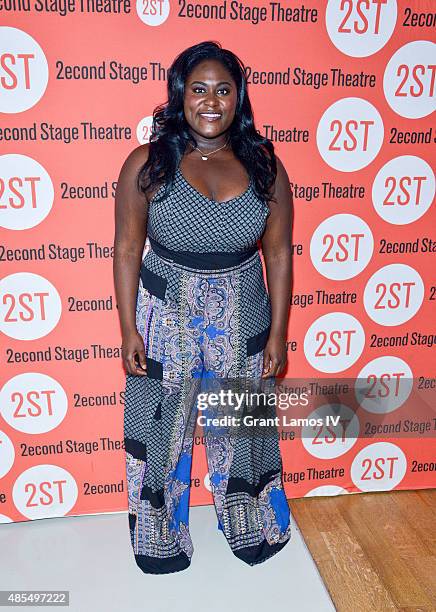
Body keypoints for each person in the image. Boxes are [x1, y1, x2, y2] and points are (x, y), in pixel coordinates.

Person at [113, 40, 294, 575]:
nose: (211, 101)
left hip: (243, 315)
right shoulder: (147, 164)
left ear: (239, 97)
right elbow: (126, 248)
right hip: (165, 315)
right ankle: (159, 540)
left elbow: (280, 252)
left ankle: (251, 527)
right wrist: (128, 329)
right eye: (199, 89)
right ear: (180, 95)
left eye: (223, 89)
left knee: (243, 426)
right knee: (161, 428)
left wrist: (280, 333)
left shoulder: (265, 166)